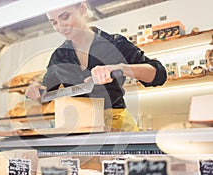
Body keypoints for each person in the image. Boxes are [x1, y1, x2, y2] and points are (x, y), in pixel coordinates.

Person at [25, 2, 167, 132]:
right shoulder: (59, 56)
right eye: (54, 22)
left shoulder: (115, 43)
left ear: (83, 9)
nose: (60, 27)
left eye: (65, 17)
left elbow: (159, 76)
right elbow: (46, 94)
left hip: (117, 125)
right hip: (80, 128)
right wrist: (36, 90)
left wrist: (121, 68)